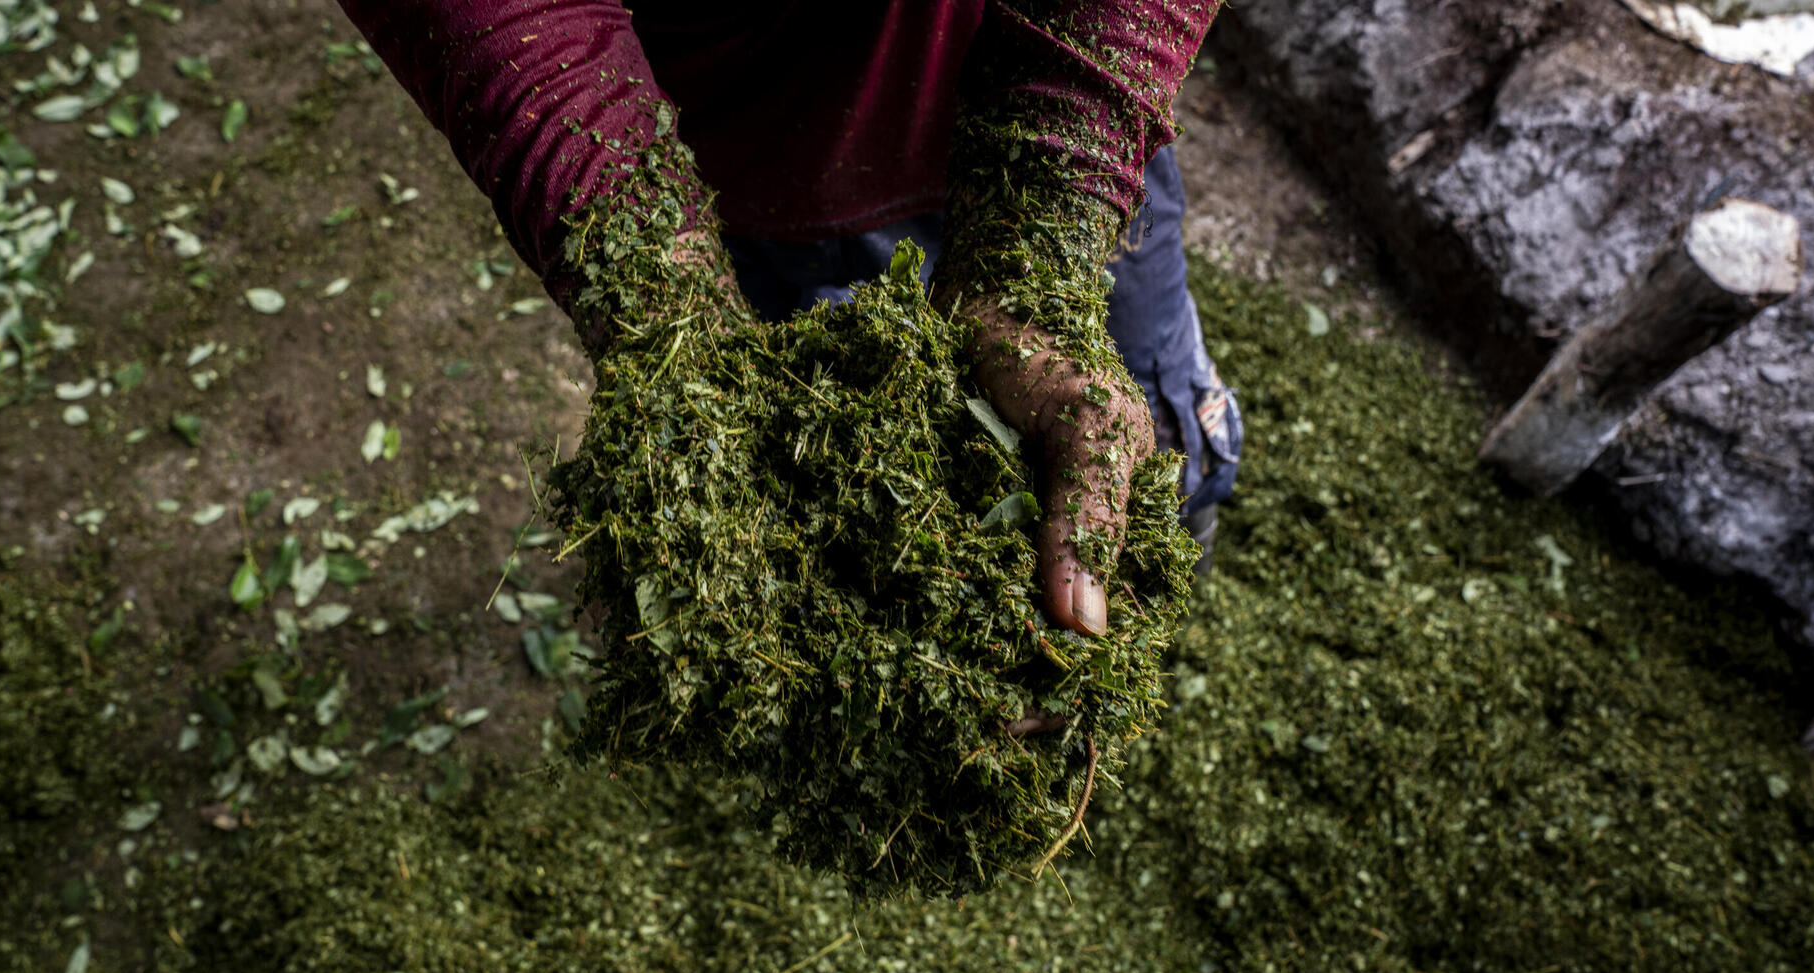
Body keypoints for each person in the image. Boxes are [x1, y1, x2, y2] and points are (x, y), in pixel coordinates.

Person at [340, 0, 1239, 655]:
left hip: (1058, 111)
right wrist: (675, 319)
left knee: (1139, 446)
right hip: (711, 163)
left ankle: (1142, 617)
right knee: (802, 467)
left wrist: (1035, 262)